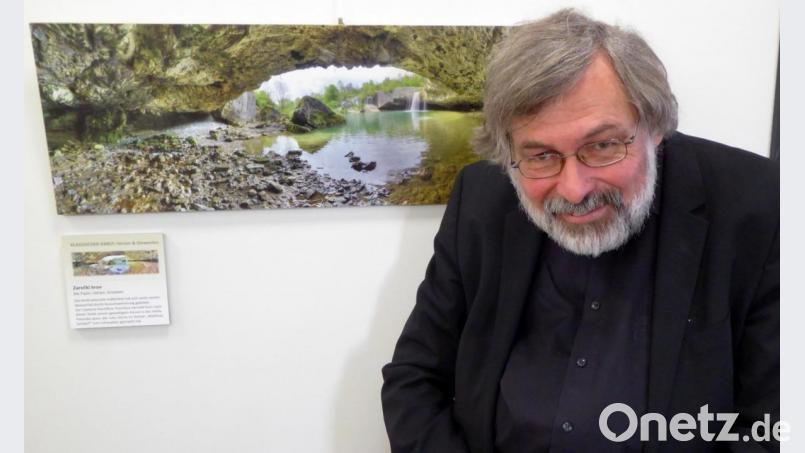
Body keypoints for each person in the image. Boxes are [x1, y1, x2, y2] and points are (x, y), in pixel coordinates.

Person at [381, 8, 779, 453]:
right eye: (540, 155)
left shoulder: (758, 203)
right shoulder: (481, 199)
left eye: (604, 145)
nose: (573, 190)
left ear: (654, 127)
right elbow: (413, 378)